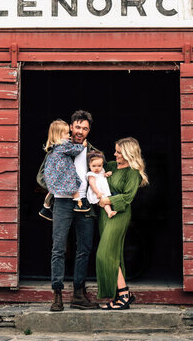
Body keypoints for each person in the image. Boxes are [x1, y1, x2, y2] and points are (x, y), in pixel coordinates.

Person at [47, 109, 98, 311]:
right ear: (70, 127)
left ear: (88, 130)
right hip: (61, 202)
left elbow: (99, 173)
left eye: (84, 128)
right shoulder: (57, 147)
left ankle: (78, 294)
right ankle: (57, 295)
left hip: (84, 202)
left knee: (84, 248)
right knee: (58, 248)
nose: (80, 131)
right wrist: (56, 187)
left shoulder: (92, 150)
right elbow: (43, 175)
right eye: (77, 127)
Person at [92, 137, 148, 309]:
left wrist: (107, 200)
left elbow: (127, 197)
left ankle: (123, 292)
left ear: (128, 153)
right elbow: (95, 161)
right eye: (115, 150)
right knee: (114, 254)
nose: (114, 154)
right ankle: (122, 295)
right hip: (104, 214)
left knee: (105, 253)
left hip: (119, 213)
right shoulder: (110, 166)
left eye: (118, 151)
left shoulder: (133, 173)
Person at [85, 150, 114, 217]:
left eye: (99, 166)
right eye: (94, 166)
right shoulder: (91, 174)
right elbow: (92, 184)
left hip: (102, 190)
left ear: (102, 165)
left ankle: (109, 212)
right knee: (104, 201)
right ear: (89, 166)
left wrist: (106, 174)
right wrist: (97, 192)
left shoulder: (102, 171)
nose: (97, 168)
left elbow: (102, 175)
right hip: (97, 192)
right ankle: (109, 212)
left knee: (105, 201)